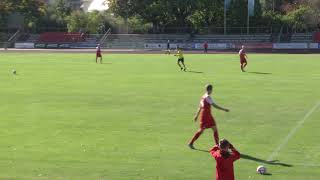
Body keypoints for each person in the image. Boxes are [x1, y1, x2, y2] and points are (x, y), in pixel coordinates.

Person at [188, 84, 229, 149]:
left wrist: (196, 115)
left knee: (215, 129)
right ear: (210, 90)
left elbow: (200, 107)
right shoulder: (208, 97)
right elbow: (214, 105)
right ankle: (190, 143)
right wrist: (224, 109)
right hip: (205, 117)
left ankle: (217, 146)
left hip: (209, 116)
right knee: (201, 131)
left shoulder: (203, 96)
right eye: (212, 90)